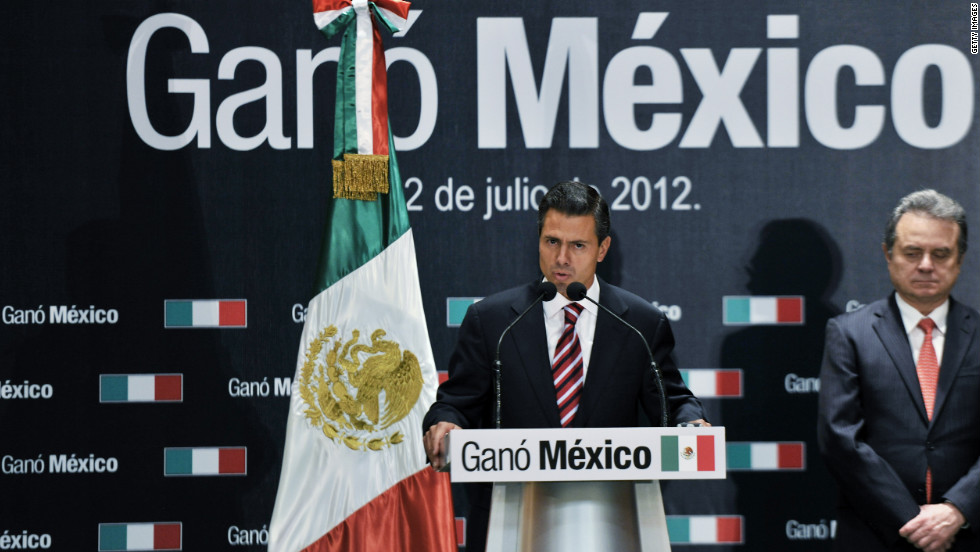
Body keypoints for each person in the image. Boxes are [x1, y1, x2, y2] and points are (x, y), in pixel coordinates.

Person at [423, 180, 708, 551]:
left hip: (612, 522)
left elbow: (672, 401)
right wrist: (445, 422)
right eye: (552, 241)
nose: (562, 259)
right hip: (511, 523)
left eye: (578, 245)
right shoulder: (492, 321)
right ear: (538, 239)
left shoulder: (640, 323)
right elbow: (456, 402)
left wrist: (691, 423)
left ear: (602, 248)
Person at [818, 189, 979, 552]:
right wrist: (914, 521)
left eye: (941, 253)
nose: (925, 265)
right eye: (912, 252)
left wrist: (956, 511)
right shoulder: (848, 333)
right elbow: (840, 439)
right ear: (888, 254)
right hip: (876, 535)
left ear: (960, 259)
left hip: (967, 535)